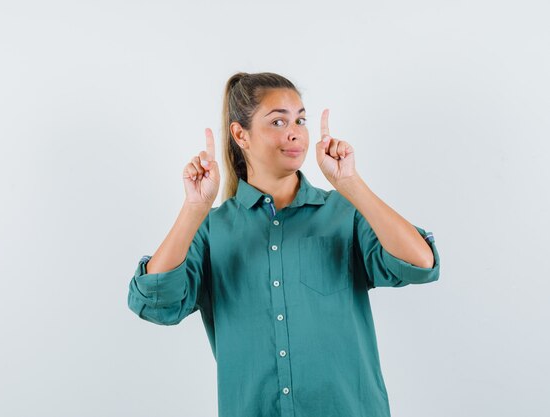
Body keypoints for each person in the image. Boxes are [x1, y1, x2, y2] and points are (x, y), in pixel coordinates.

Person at [127, 71, 441, 417]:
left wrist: (350, 183)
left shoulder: (343, 213)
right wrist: (194, 209)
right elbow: (154, 302)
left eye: (300, 120)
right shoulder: (212, 230)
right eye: (278, 121)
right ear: (240, 134)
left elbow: (421, 262)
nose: (295, 132)